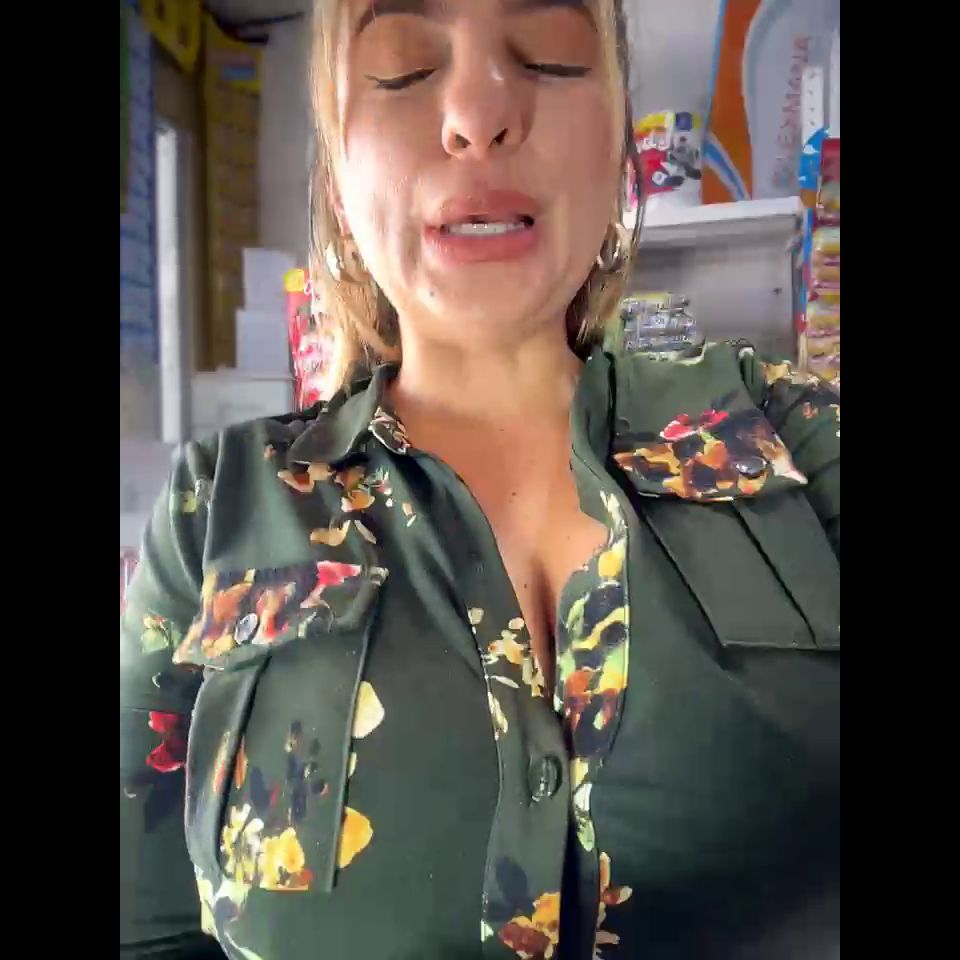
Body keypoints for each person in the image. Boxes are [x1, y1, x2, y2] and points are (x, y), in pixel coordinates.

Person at [119, 1, 841, 957]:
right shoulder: (213, 512)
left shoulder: (799, 441)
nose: (477, 111)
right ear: (338, 174)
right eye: (403, 67)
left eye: (549, 54)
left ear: (617, 144)